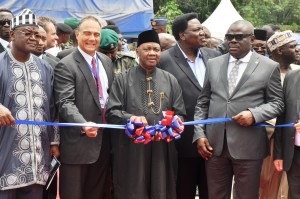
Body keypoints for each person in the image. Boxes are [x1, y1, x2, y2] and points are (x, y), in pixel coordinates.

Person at [193, 20, 284, 199]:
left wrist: (254, 114)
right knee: (216, 195)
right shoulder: (214, 63)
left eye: (239, 37)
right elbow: (203, 102)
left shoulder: (268, 66)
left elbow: (277, 103)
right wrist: (199, 134)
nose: (232, 41)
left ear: (251, 39)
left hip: (248, 146)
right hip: (214, 146)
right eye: (229, 37)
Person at [106, 30, 186, 199]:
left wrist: (169, 125)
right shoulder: (123, 79)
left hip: (162, 148)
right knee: (133, 189)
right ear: (137, 51)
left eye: (156, 49)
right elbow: (112, 111)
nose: (152, 53)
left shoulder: (170, 80)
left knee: (161, 188)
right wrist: (130, 119)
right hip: (132, 150)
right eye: (147, 49)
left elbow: (180, 113)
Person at [159, 13, 221, 199]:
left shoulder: (214, 56)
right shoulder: (164, 60)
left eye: (202, 28)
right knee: (183, 190)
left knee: (211, 190)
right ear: (182, 35)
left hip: (215, 138)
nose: (202, 33)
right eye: (196, 30)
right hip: (183, 141)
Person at [0, 8, 59, 199]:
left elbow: (52, 107)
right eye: (27, 33)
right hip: (5, 154)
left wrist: (54, 141)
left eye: (36, 34)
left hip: (37, 157)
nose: (34, 38)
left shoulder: (45, 68)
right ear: (12, 35)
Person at [53, 16, 114, 199]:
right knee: (73, 193)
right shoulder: (66, 65)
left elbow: (110, 98)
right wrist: (82, 123)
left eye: (96, 34)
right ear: (77, 35)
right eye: (87, 33)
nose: (92, 38)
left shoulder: (106, 61)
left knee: (96, 192)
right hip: (77, 144)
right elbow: (65, 102)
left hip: (104, 142)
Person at [271, 31, 300, 199]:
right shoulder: (292, 77)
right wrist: (279, 154)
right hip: (294, 153)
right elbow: (283, 116)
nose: (297, 50)